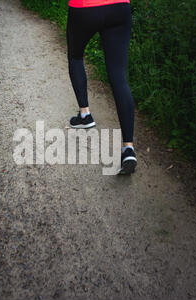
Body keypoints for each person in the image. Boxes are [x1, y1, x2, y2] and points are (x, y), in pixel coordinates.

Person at [67, 0, 137, 174]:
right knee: (119, 76)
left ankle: (85, 115)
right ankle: (128, 149)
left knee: (75, 57)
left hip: (84, 8)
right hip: (119, 7)